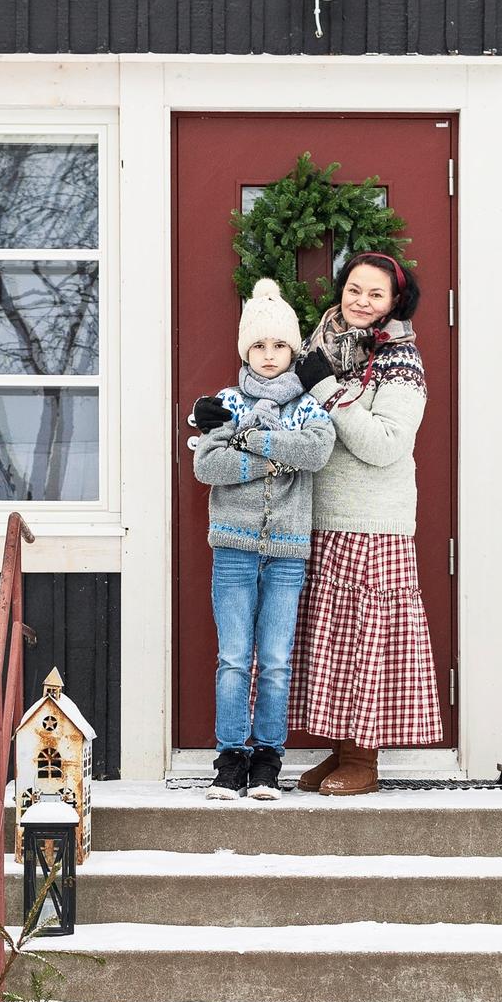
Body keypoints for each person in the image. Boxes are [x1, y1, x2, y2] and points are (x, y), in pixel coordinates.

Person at [287, 251, 443, 796]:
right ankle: (339, 750)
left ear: (394, 302)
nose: (361, 301)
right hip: (317, 514)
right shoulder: (318, 345)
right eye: (355, 289)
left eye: (375, 294)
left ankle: (364, 759)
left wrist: (326, 391)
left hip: (373, 521)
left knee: (365, 641)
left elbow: (385, 444)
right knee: (331, 641)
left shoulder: (402, 362)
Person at [187, 278, 336, 800]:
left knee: (274, 659)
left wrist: (252, 440)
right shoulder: (224, 403)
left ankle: (268, 760)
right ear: (245, 349)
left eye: (279, 346)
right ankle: (231, 761)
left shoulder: (309, 405)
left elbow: (316, 452)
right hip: (232, 547)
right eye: (258, 345)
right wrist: (274, 458)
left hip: (288, 553)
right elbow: (210, 464)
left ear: (293, 350)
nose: (269, 356)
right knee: (233, 657)